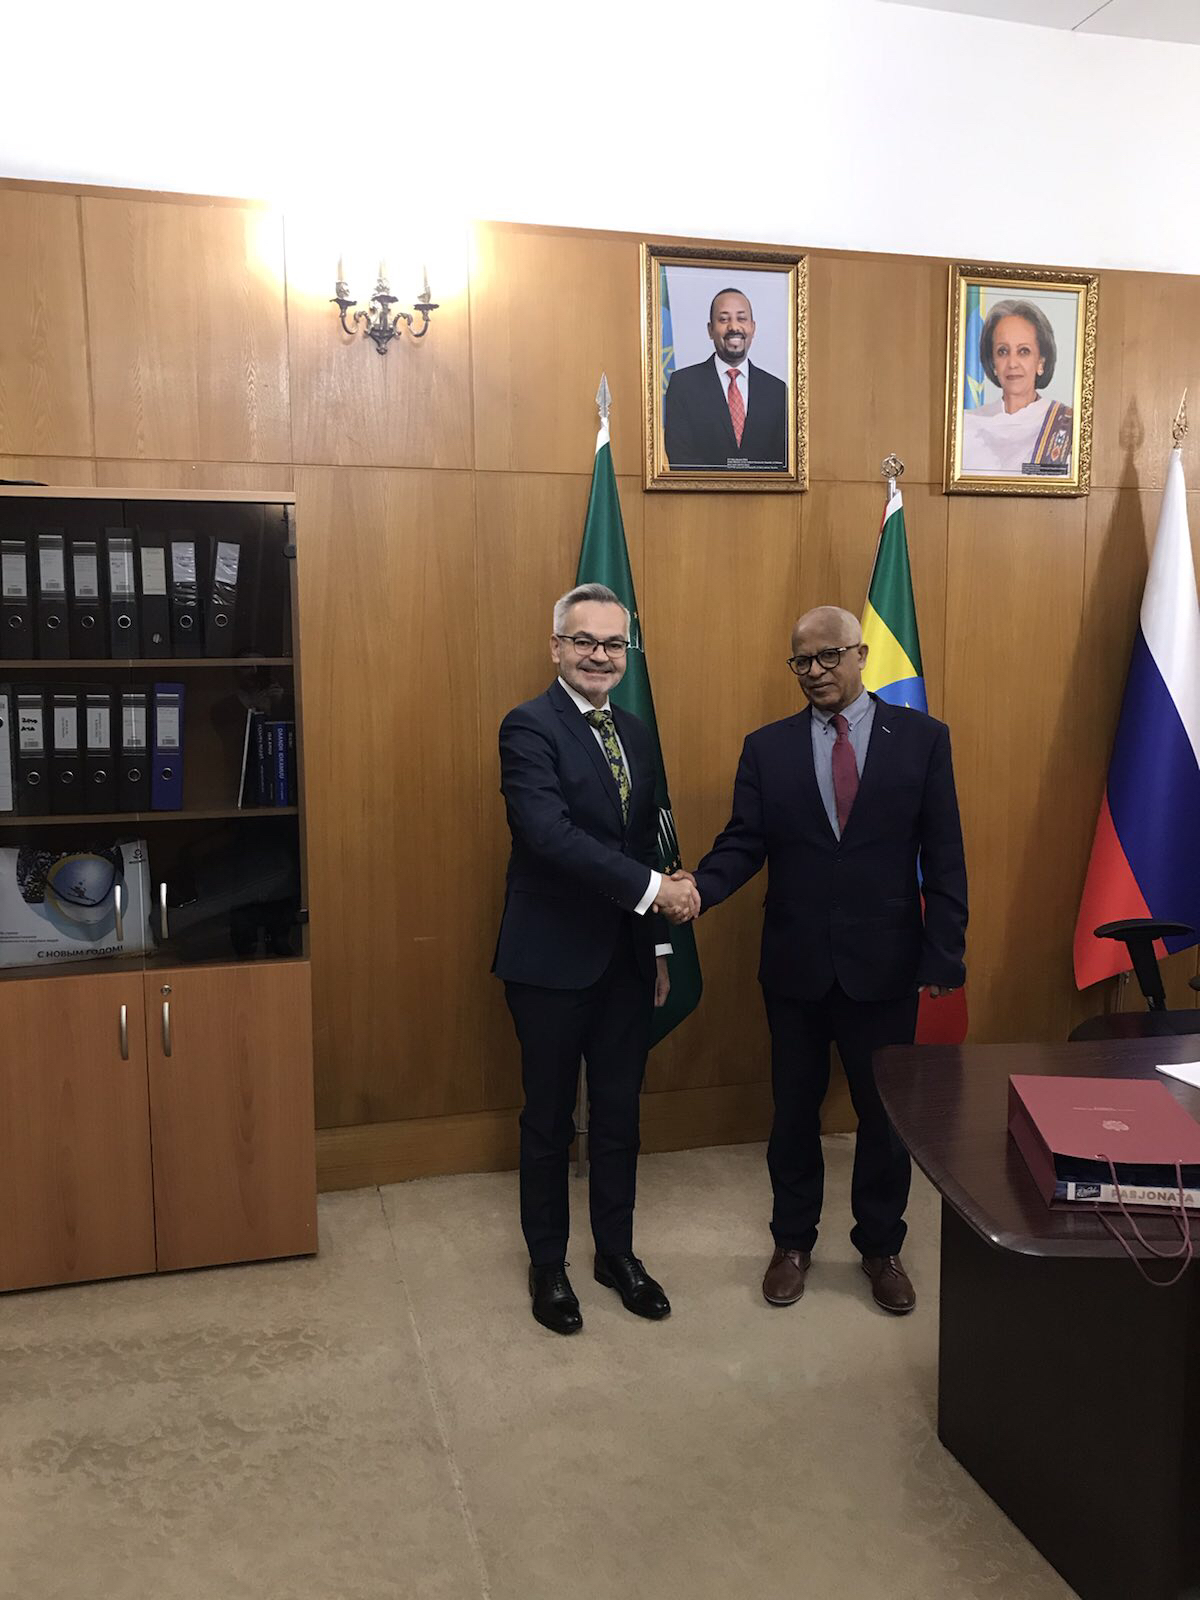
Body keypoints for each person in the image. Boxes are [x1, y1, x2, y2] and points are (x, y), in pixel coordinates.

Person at [678, 606, 967, 1315]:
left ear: (861, 654)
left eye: (828, 656)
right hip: (796, 966)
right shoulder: (767, 748)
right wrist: (699, 889)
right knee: (793, 1112)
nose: (815, 672)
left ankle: (881, 1246)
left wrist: (944, 954)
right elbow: (744, 842)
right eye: (802, 661)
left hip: (886, 965)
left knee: (884, 1119)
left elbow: (945, 854)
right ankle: (792, 1242)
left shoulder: (923, 740)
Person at [493, 582, 699, 1335]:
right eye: (584, 641)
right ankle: (548, 1265)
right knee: (549, 1121)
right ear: (557, 648)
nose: (600, 655)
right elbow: (549, 835)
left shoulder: (636, 733)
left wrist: (661, 943)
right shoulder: (528, 727)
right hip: (549, 961)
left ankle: (616, 1254)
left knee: (618, 1116)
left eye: (614, 643)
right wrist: (656, 892)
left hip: (626, 960)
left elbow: (645, 842)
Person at [663, 287, 788, 471]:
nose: (734, 327)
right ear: (710, 330)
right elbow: (680, 456)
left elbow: (783, 461)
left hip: (764, 490)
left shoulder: (777, 391)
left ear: (753, 328)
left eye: (741, 318)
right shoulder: (683, 385)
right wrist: (723, 484)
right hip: (700, 490)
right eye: (723, 319)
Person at [960, 298, 1073, 476]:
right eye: (1003, 351)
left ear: (1041, 362)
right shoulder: (966, 425)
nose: (1012, 363)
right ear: (993, 363)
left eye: (1023, 351)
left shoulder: (1068, 426)